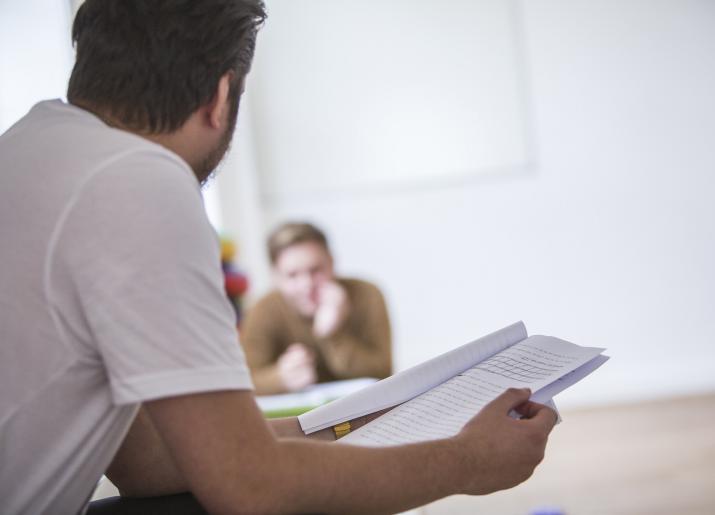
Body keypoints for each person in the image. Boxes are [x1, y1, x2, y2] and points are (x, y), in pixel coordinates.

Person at [0, 1, 557, 514]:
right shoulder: (140, 185)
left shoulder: (29, 147)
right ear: (221, 96)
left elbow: (148, 461)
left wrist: (371, 422)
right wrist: (467, 462)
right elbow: (250, 486)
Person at [241, 222, 392, 394]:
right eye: (292, 275)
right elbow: (244, 384)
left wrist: (333, 335)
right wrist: (280, 378)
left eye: (315, 270)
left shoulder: (367, 295)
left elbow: (383, 374)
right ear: (275, 277)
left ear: (332, 263)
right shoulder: (263, 310)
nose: (307, 284)